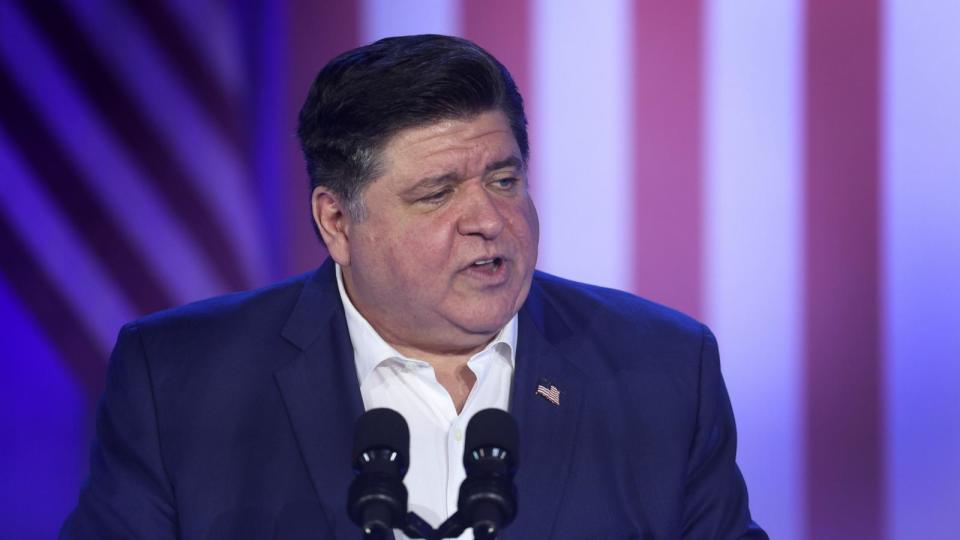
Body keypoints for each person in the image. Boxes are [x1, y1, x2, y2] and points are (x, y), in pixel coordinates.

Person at [62, 34, 767, 539]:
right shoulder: (181, 378)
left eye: (504, 179)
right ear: (337, 221)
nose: (489, 221)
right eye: (436, 194)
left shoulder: (663, 366)